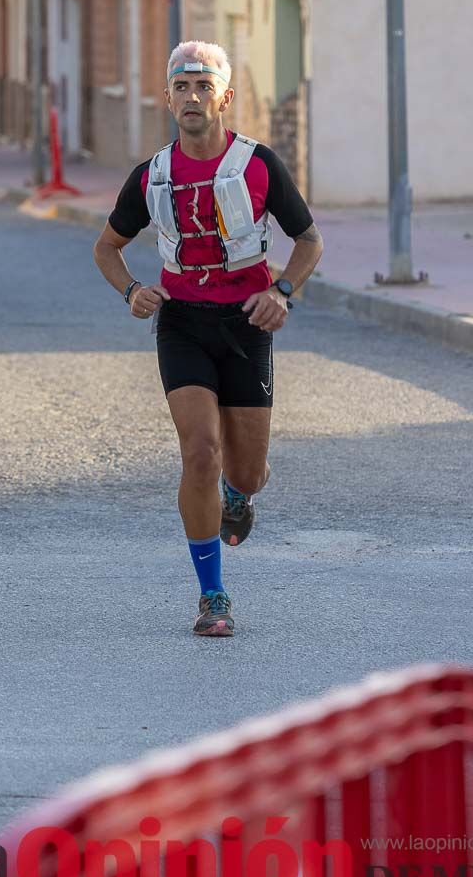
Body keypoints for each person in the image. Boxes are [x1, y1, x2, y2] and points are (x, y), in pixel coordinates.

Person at [94, 41, 323, 637]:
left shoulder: (259, 165)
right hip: (182, 324)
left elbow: (309, 241)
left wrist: (282, 293)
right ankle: (212, 596)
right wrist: (130, 291)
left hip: (246, 325)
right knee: (198, 450)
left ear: (225, 97)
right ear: (168, 99)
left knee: (247, 472)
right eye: (180, 87)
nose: (191, 97)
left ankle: (238, 494)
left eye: (203, 86)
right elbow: (107, 247)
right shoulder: (152, 175)